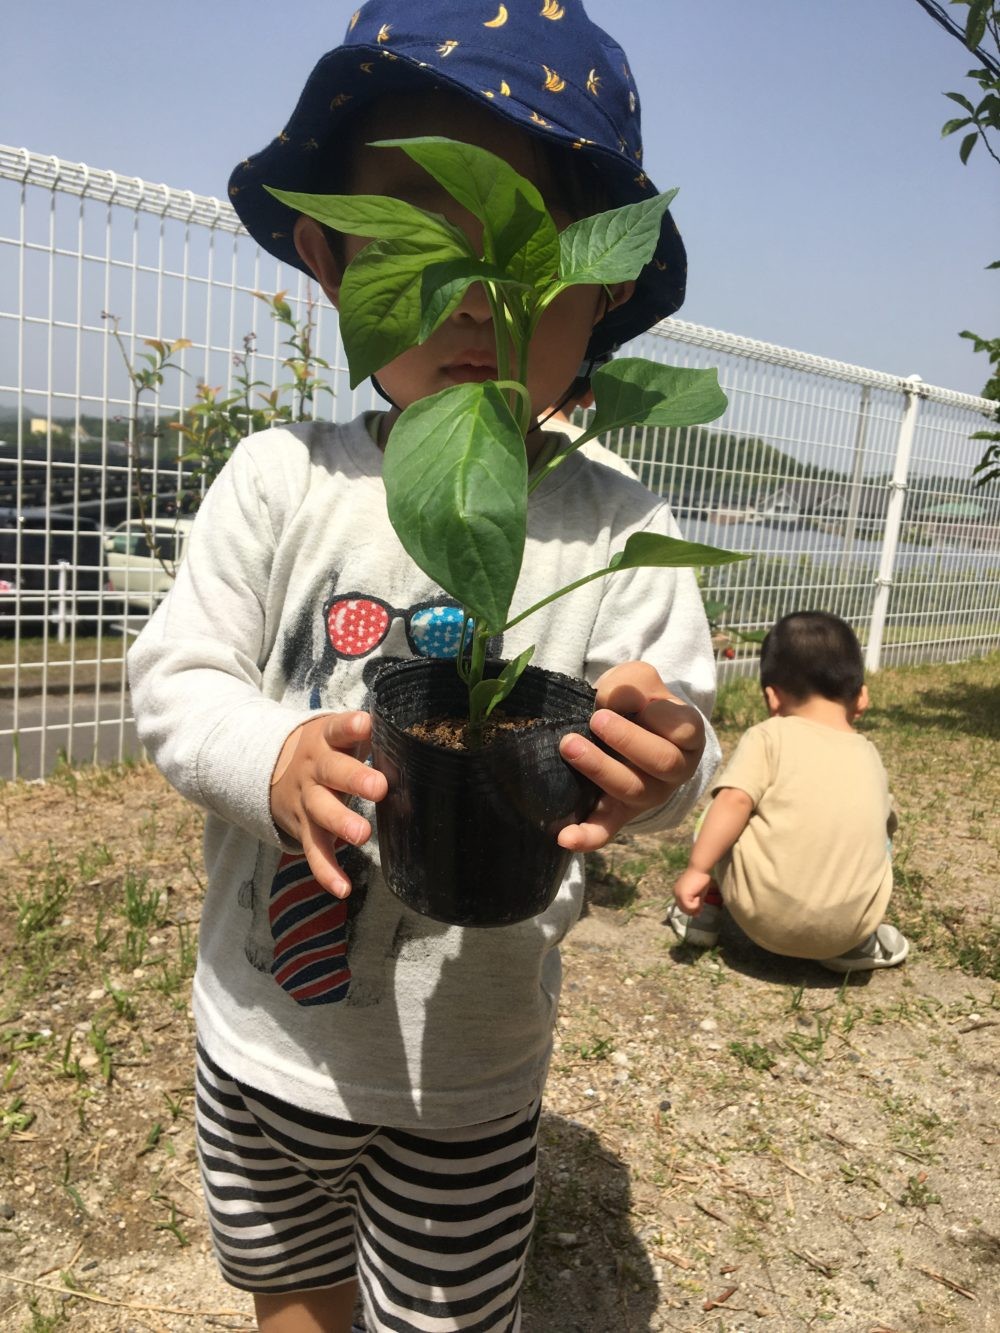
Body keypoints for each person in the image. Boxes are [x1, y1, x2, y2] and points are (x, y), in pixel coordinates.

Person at [128, 4, 721, 1330]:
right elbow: (176, 677)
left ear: (606, 285)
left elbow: (677, 717)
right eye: (412, 240)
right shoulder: (282, 479)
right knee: (287, 1282)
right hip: (264, 1033)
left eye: (526, 254)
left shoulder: (615, 522)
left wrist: (666, 756)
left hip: (469, 1072)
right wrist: (272, 757)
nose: (473, 293)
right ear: (331, 257)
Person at [668, 610, 909, 973]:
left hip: (760, 916)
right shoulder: (870, 754)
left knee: (726, 805)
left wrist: (697, 869)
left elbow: (735, 801)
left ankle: (704, 910)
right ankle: (857, 943)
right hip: (848, 929)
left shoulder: (769, 736)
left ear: (773, 698)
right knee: (880, 831)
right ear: (861, 698)